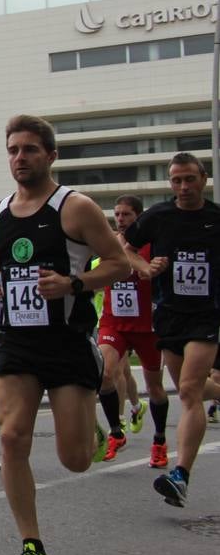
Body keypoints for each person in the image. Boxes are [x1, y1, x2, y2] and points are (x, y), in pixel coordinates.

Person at [0, 114, 128, 555]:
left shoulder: (75, 208)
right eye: (13, 149)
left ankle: (89, 416)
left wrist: (74, 282)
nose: (20, 158)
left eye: (30, 149)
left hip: (68, 342)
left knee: (76, 459)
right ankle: (33, 549)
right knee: (12, 438)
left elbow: (118, 264)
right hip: (18, 341)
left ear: (50, 155)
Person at [121, 153, 220, 507]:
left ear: (203, 179)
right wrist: (145, 267)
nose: (183, 187)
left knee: (191, 391)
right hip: (169, 316)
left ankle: (180, 475)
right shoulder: (158, 216)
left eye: (189, 179)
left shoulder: (215, 218)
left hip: (206, 316)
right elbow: (125, 249)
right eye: (176, 180)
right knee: (188, 389)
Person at [96, 195, 168, 464]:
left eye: (126, 214)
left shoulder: (151, 246)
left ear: (139, 217)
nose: (121, 219)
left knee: (155, 388)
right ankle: (116, 432)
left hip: (146, 327)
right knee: (105, 374)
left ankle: (160, 440)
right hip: (114, 322)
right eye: (117, 214)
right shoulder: (108, 244)